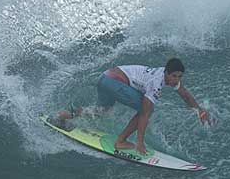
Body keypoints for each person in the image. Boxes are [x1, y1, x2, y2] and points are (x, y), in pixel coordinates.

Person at [53, 58, 213, 155]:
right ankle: (120, 141)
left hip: (105, 79)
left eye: (179, 77)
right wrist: (140, 142)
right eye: (173, 76)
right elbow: (144, 113)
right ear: (166, 73)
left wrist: (199, 111)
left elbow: (184, 93)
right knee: (147, 109)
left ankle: (64, 115)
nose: (176, 80)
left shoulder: (166, 76)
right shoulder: (156, 83)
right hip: (113, 82)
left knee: (103, 112)